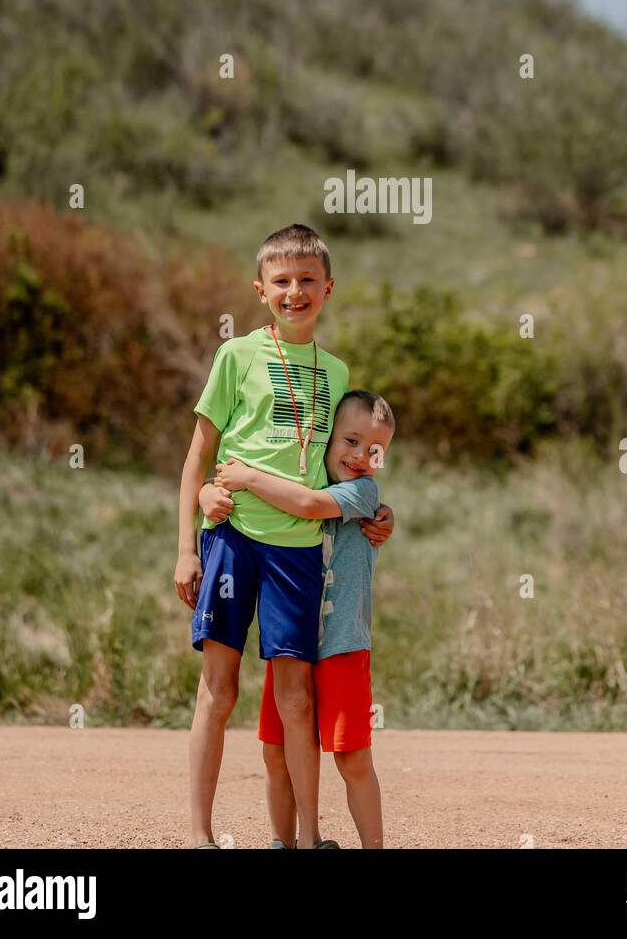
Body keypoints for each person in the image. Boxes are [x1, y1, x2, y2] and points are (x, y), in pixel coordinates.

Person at [173, 223, 393, 849]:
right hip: (231, 536)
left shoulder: (336, 371)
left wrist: (380, 510)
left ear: (328, 288)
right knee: (217, 691)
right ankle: (199, 836)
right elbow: (198, 456)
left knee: (296, 700)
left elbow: (346, 464)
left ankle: (306, 836)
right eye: (281, 281)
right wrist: (188, 543)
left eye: (306, 281)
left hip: (298, 551)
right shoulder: (236, 356)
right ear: (260, 289)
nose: (294, 292)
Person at [211, 388, 395, 849]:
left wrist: (249, 477)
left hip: (341, 644)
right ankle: (283, 842)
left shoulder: (362, 491)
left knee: (352, 757)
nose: (360, 455)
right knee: (276, 751)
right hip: (290, 636)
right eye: (350, 441)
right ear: (326, 436)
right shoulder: (297, 481)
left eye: (375, 450)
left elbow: (309, 507)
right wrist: (208, 489)